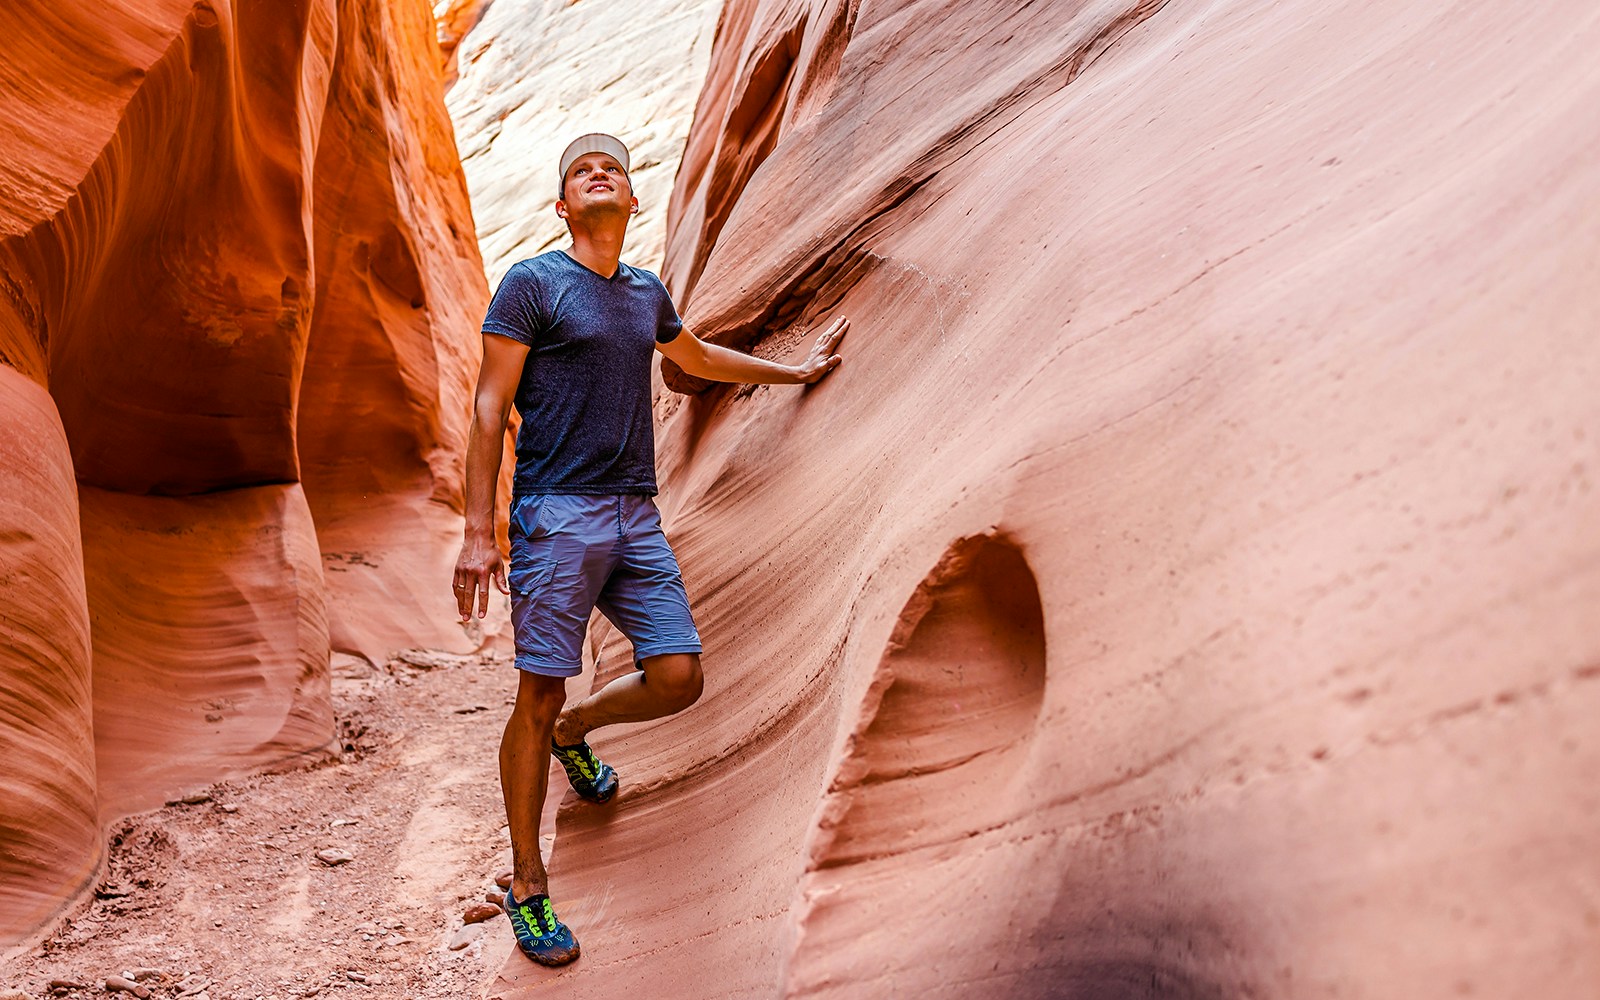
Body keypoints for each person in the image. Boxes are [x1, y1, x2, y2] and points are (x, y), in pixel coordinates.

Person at [451, 133, 847, 967]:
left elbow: (693, 355)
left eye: (614, 170)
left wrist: (795, 372)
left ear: (633, 203)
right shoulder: (532, 284)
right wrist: (476, 534)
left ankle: (578, 732)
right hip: (555, 516)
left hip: (636, 515)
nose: (599, 173)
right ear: (564, 208)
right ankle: (528, 886)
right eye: (580, 172)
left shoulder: (643, 292)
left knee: (679, 676)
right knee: (535, 695)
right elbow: (490, 408)